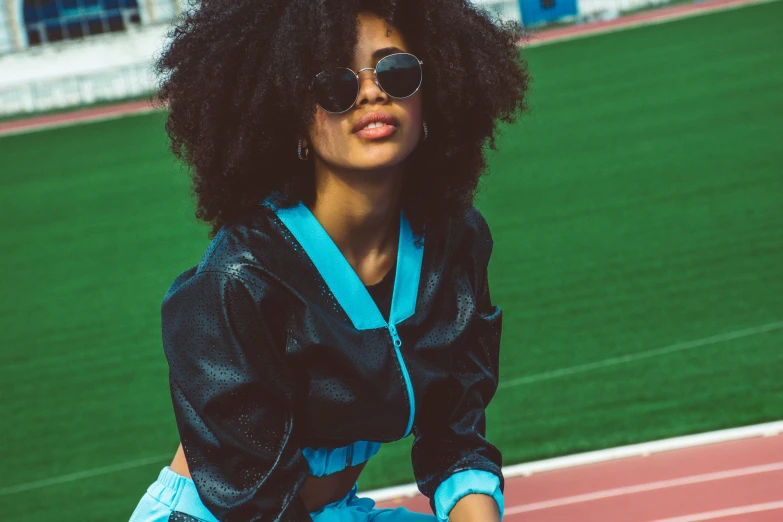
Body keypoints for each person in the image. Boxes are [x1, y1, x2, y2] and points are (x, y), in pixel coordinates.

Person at [128, 0, 530, 520]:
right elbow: (255, 499)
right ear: (291, 119)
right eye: (334, 84)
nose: (371, 91)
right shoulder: (240, 277)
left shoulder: (455, 243)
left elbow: (454, 434)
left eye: (397, 71)